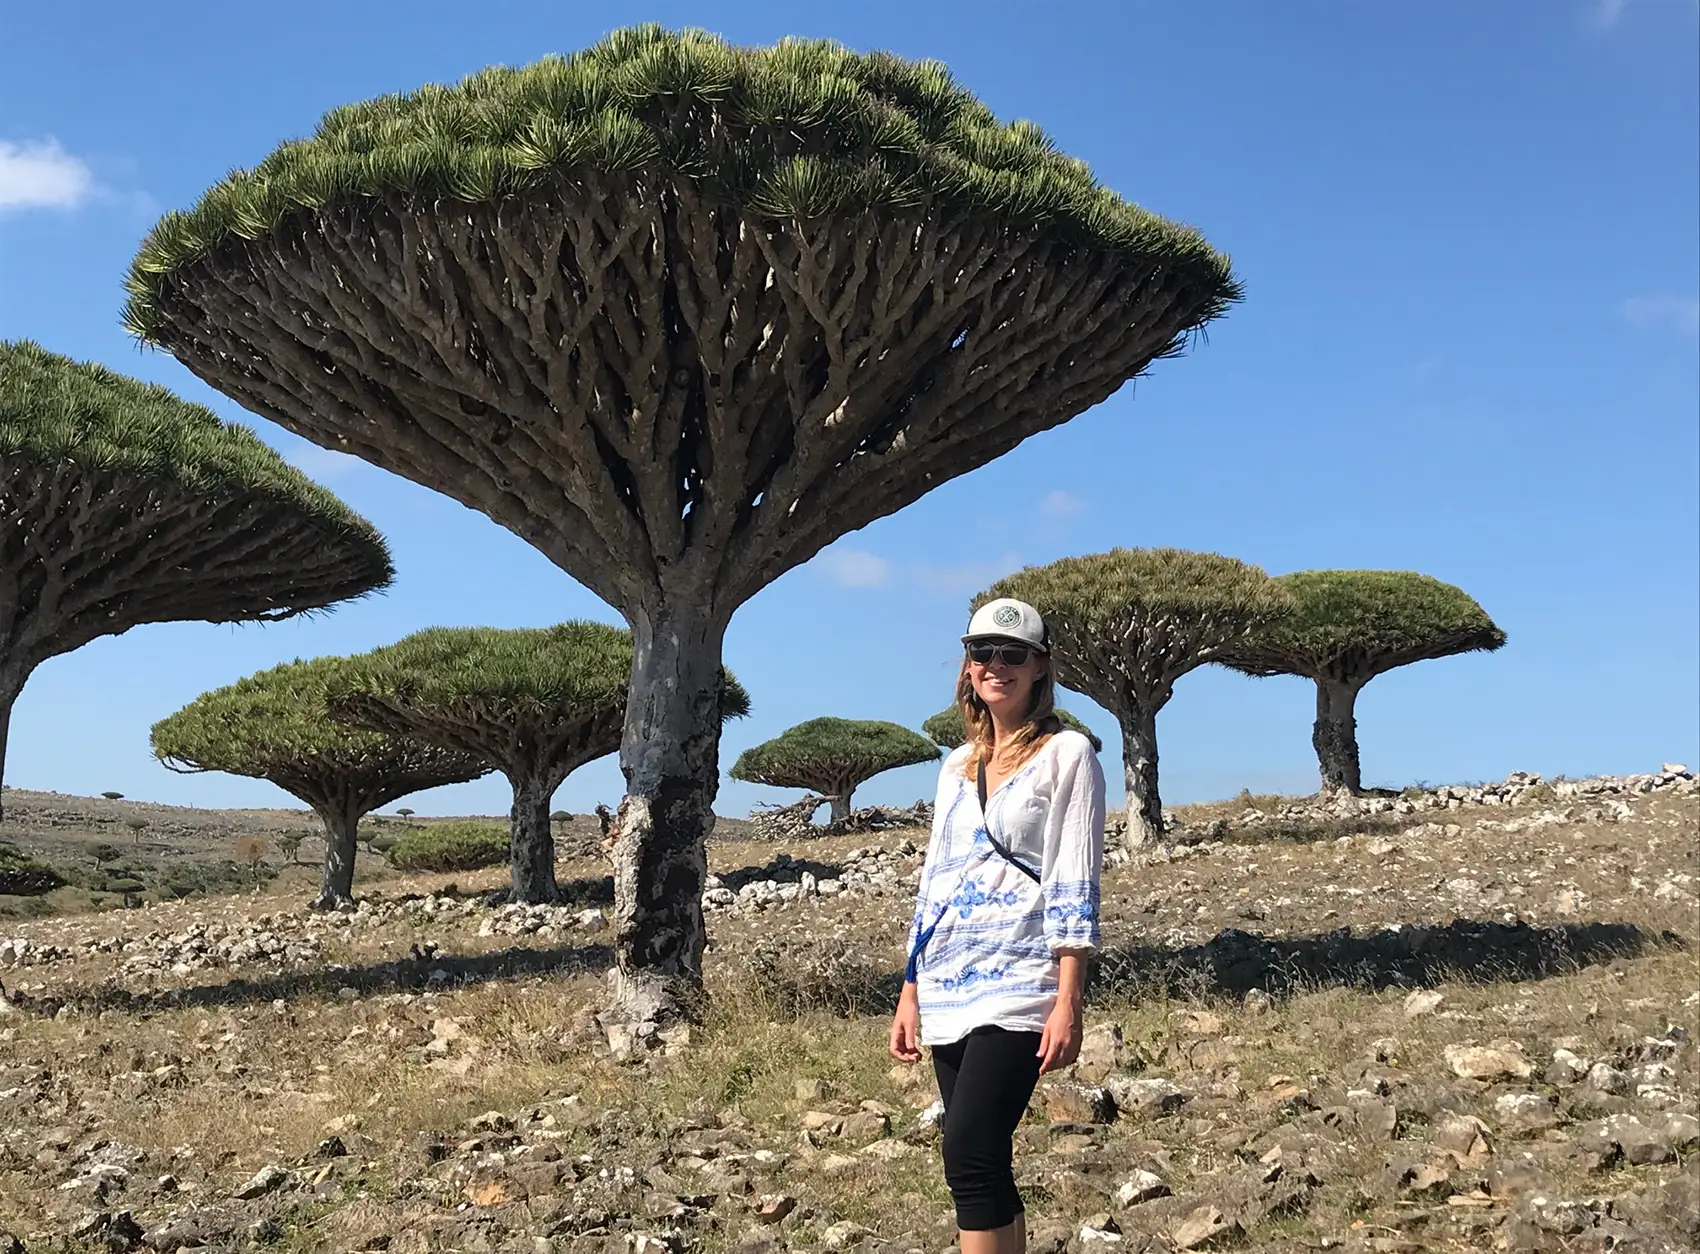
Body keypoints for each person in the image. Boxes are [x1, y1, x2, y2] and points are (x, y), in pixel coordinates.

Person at [889, 597, 1107, 1254]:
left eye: (1014, 654)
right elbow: (938, 879)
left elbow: (1075, 878)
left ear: (1041, 667)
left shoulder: (1069, 753)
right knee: (985, 1166)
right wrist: (911, 985)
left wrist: (1069, 999)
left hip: (1022, 981)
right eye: (983, 652)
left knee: (970, 1152)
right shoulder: (955, 767)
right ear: (968, 665)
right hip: (951, 979)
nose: (996, 666)